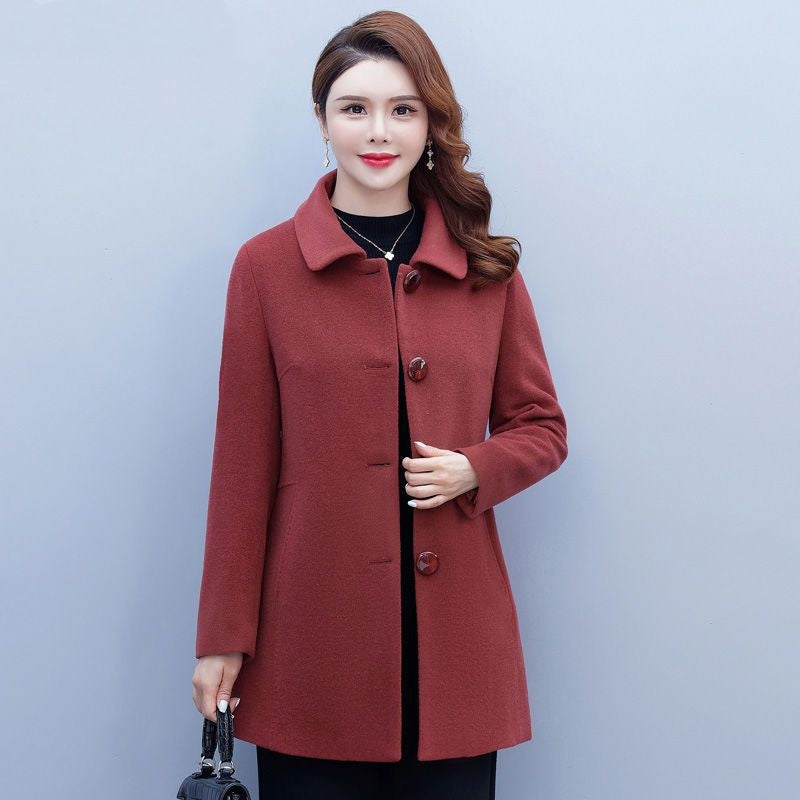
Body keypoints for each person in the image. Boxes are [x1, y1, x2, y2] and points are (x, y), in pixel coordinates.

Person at [191, 10, 568, 800]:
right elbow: (241, 468)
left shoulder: (485, 269)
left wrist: (476, 467)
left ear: (430, 125)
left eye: (402, 109)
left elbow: (542, 428)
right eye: (353, 108)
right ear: (321, 121)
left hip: (456, 653)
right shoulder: (265, 268)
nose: (377, 131)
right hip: (312, 646)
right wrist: (223, 638)